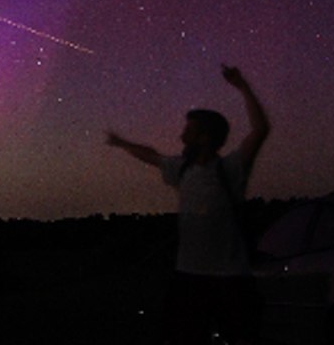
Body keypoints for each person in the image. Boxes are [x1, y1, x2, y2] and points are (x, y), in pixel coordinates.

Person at [106, 64, 271, 345]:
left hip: (231, 279)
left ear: (205, 138)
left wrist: (241, 85)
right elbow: (152, 155)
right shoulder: (181, 169)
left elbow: (260, 129)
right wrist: (122, 143)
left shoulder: (230, 169)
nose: (182, 134)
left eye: (189, 129)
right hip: (189, 277)